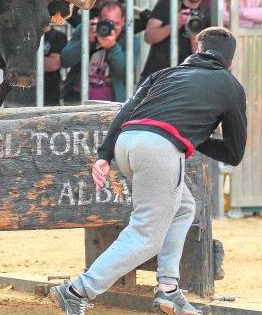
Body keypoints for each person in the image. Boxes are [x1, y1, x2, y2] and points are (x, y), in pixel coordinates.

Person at [50, 27, 247, 315]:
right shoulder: (231, 86)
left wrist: (104, 155)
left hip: (126, 144)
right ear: (230, 63)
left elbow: (127, 109)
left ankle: (168, 289)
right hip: (159, 149)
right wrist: (196, 136)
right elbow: (234, 153)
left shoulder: (165, 74)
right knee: (145, 236)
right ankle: (79, 289)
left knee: (183, 207)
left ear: (196, 51)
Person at [141, 0, 212, 81]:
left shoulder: (208, 13)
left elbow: (202, 56)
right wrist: (175, 24)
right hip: (155, 77)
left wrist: (193, 30)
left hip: (186, 80)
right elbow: (149, 37)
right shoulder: (168, 2)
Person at [61, 0, 139, 103]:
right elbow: (65, 60)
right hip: (77, 101)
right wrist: (86, 41)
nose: (111, 28)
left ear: (123, 21)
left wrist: (112, 47)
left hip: (112, 104)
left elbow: (124, 73)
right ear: (98, 19)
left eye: (116, 24)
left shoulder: (130, 40)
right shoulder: (86, 30)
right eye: (107, 23)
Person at [67, 0, 150, 34]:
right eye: (103, 2)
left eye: (112, 2)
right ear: (96, 3)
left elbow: (150, 20)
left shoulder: (124, 25)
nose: (107, 5)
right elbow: (68, 14)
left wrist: (132, 8)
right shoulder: (90, 22)